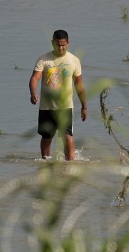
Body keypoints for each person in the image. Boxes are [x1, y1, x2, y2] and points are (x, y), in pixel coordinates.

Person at [29, 29, 87, 160]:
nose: (60, 48)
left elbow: (79, 84)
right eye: (57, 44)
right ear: (52, 43)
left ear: (67, 43)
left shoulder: (74, 60)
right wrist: (33, 92)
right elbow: (34, 78)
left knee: (67, 137)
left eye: (63, 45)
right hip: (46, 107)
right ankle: (46, 162)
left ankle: (69, 165)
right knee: (46, 138)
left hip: (65, 107)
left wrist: (84, 106)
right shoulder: (44, 59)